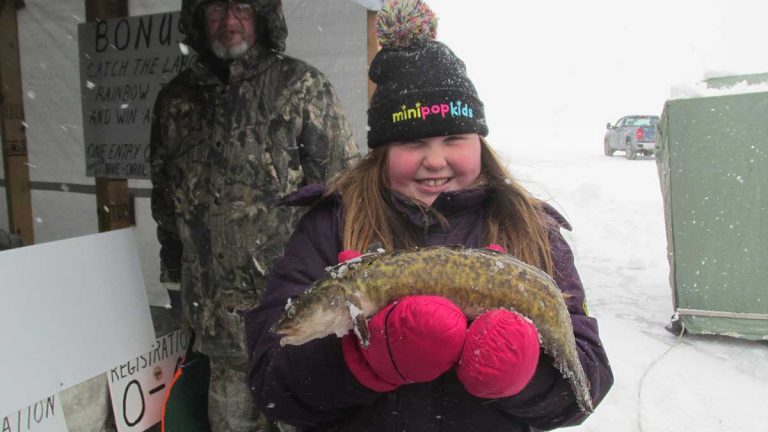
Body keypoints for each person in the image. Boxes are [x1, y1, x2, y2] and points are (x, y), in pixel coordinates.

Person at [244, 0, 613, 430]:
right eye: (412, 142)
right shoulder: (331, 224)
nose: (434, 160)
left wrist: (524, 375)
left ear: (480, 141)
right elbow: (271, 384)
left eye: (453, 137)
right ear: (382, 151)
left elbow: (586, 385)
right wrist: (358, 362)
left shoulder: (532, 229)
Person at [150, 0, 360, 430]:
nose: (229, 21)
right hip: (218, 329)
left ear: (263, 15)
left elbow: (345, 197)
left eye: (242, 6)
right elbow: (165, 200)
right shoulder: (175, 102)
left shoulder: (302, 88)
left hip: (295, 326)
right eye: (216, 8)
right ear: (197, 16)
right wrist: (175, 278)